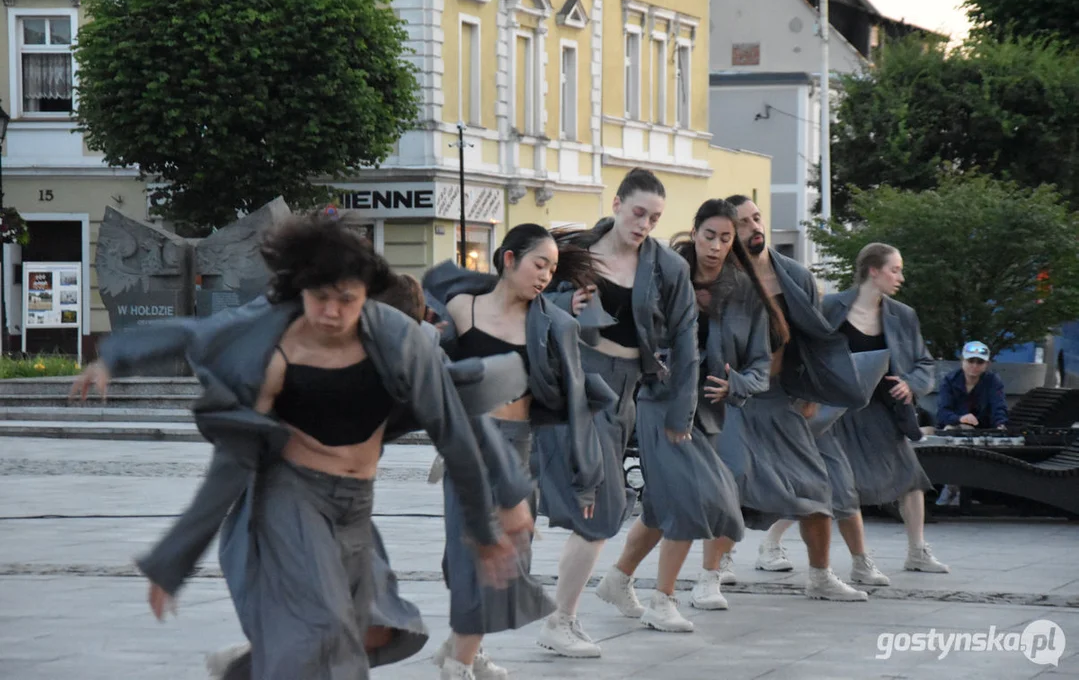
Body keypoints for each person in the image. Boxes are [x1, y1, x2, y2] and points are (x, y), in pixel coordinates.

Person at [70, 210, 535, 680]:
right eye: (319, 298)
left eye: (346, 300)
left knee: (363, 633)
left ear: (367, 295)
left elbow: (455, 430)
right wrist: (111, 359)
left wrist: (485, 524)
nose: (331, 312)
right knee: (328, 631)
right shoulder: (269, 339)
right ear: (299, 291)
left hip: (356, 505)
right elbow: (192, 337)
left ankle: (252, 668)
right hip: (291, 496)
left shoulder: (399, 342)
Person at [423, 223, 613, 679]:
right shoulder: (460, 309)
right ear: (509, 259)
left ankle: (463, 647)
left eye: (551, 267)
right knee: (474, 555)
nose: (546, 275)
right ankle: (461, 664)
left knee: (509, 557)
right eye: (538, 264)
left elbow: (574, 400)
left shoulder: (551, 323)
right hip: (468, 448)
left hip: (518, 446)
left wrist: (585, 479)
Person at [543, 168, 700, 635]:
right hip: (575, 378)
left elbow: (687, 337)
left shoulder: (668, 266)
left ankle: (561, 619)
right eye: (638, 213)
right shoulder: (572, 252)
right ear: (616, 204)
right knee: (602, 508)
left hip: (626, 388)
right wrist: (562, 307)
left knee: (597, 510)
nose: (645, 224)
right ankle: (560, 622)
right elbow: (528, 303)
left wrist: (681, 409)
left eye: (654, 218)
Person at [589, 199, 760, 628]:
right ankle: (663, 600)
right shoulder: (661, 272)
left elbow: (760, 365)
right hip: (659, 403)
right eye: (709, 236)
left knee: (662, 504)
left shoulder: (743, 294)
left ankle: (617, 579)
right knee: (692, 498)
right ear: (694, 231)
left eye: (726, 238)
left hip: (710, 414)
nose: (717, 246)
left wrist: (737, 383)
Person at [716, 195, 880, 600]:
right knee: (728, 486)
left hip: (781, 398)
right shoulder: (720, 279)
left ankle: (821, 577)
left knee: (813, 487)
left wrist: (810, 390)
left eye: (757, 218)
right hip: (732, 398)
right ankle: (713, 570)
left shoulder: (794, 275)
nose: (755, 227)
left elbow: (813, 339)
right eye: (742, 223)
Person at [820, 243, 949, 574]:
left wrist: (910, 383)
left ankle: (917, 552)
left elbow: (924, 363)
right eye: (895, 269)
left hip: (883, 409)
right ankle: (775, 543)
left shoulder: (902, 315)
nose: (901, 277)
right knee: (827, 483)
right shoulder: (830, 307)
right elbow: (808, 352)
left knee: (911, 478)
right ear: (873, 271)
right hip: (837, 413)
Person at [937, 341, 1008, 431]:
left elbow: (999, 407)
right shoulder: (949, 381)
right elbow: (942, 412)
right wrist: (959, 418)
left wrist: (1000, 424)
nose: (974, 365)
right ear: (962, 361)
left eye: (980, 362)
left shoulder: (993, 381)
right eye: (970, 361)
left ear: (987, 364)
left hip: (983, 431)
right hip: (952, 429)